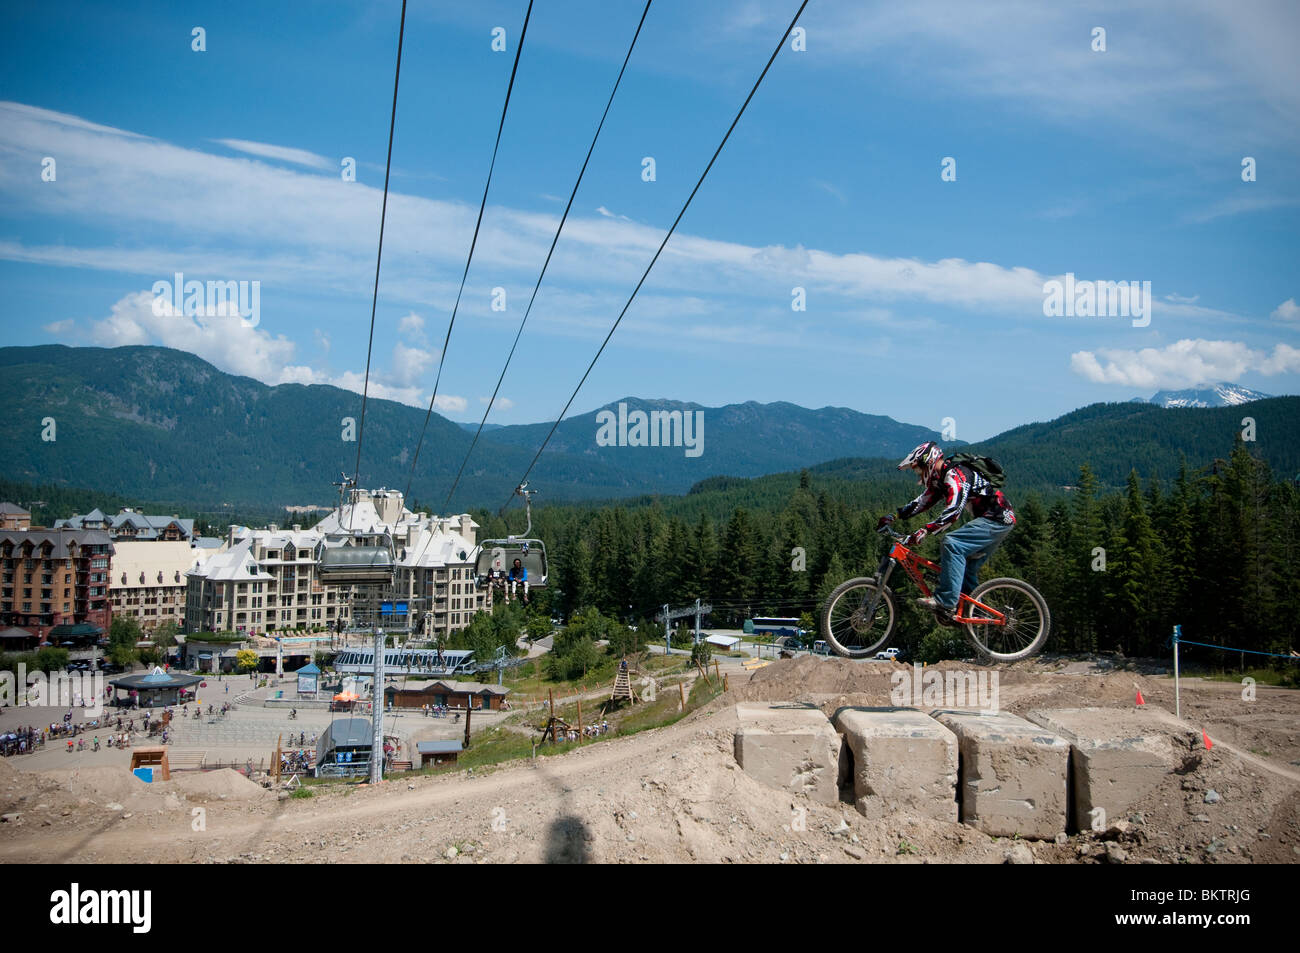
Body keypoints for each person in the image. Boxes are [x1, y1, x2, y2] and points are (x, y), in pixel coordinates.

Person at [880, 441, 1016, 626]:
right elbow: (922, 502)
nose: (919, 474)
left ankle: (946, 601)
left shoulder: (955, 474)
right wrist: (893, 516)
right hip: (996, 521)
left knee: (951, 543)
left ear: (928, 461)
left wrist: (925, 530)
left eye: (918, 469)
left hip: (997, 519)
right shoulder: (941, 478)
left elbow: (953, 511)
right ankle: (972, 614)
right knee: (966, 569)